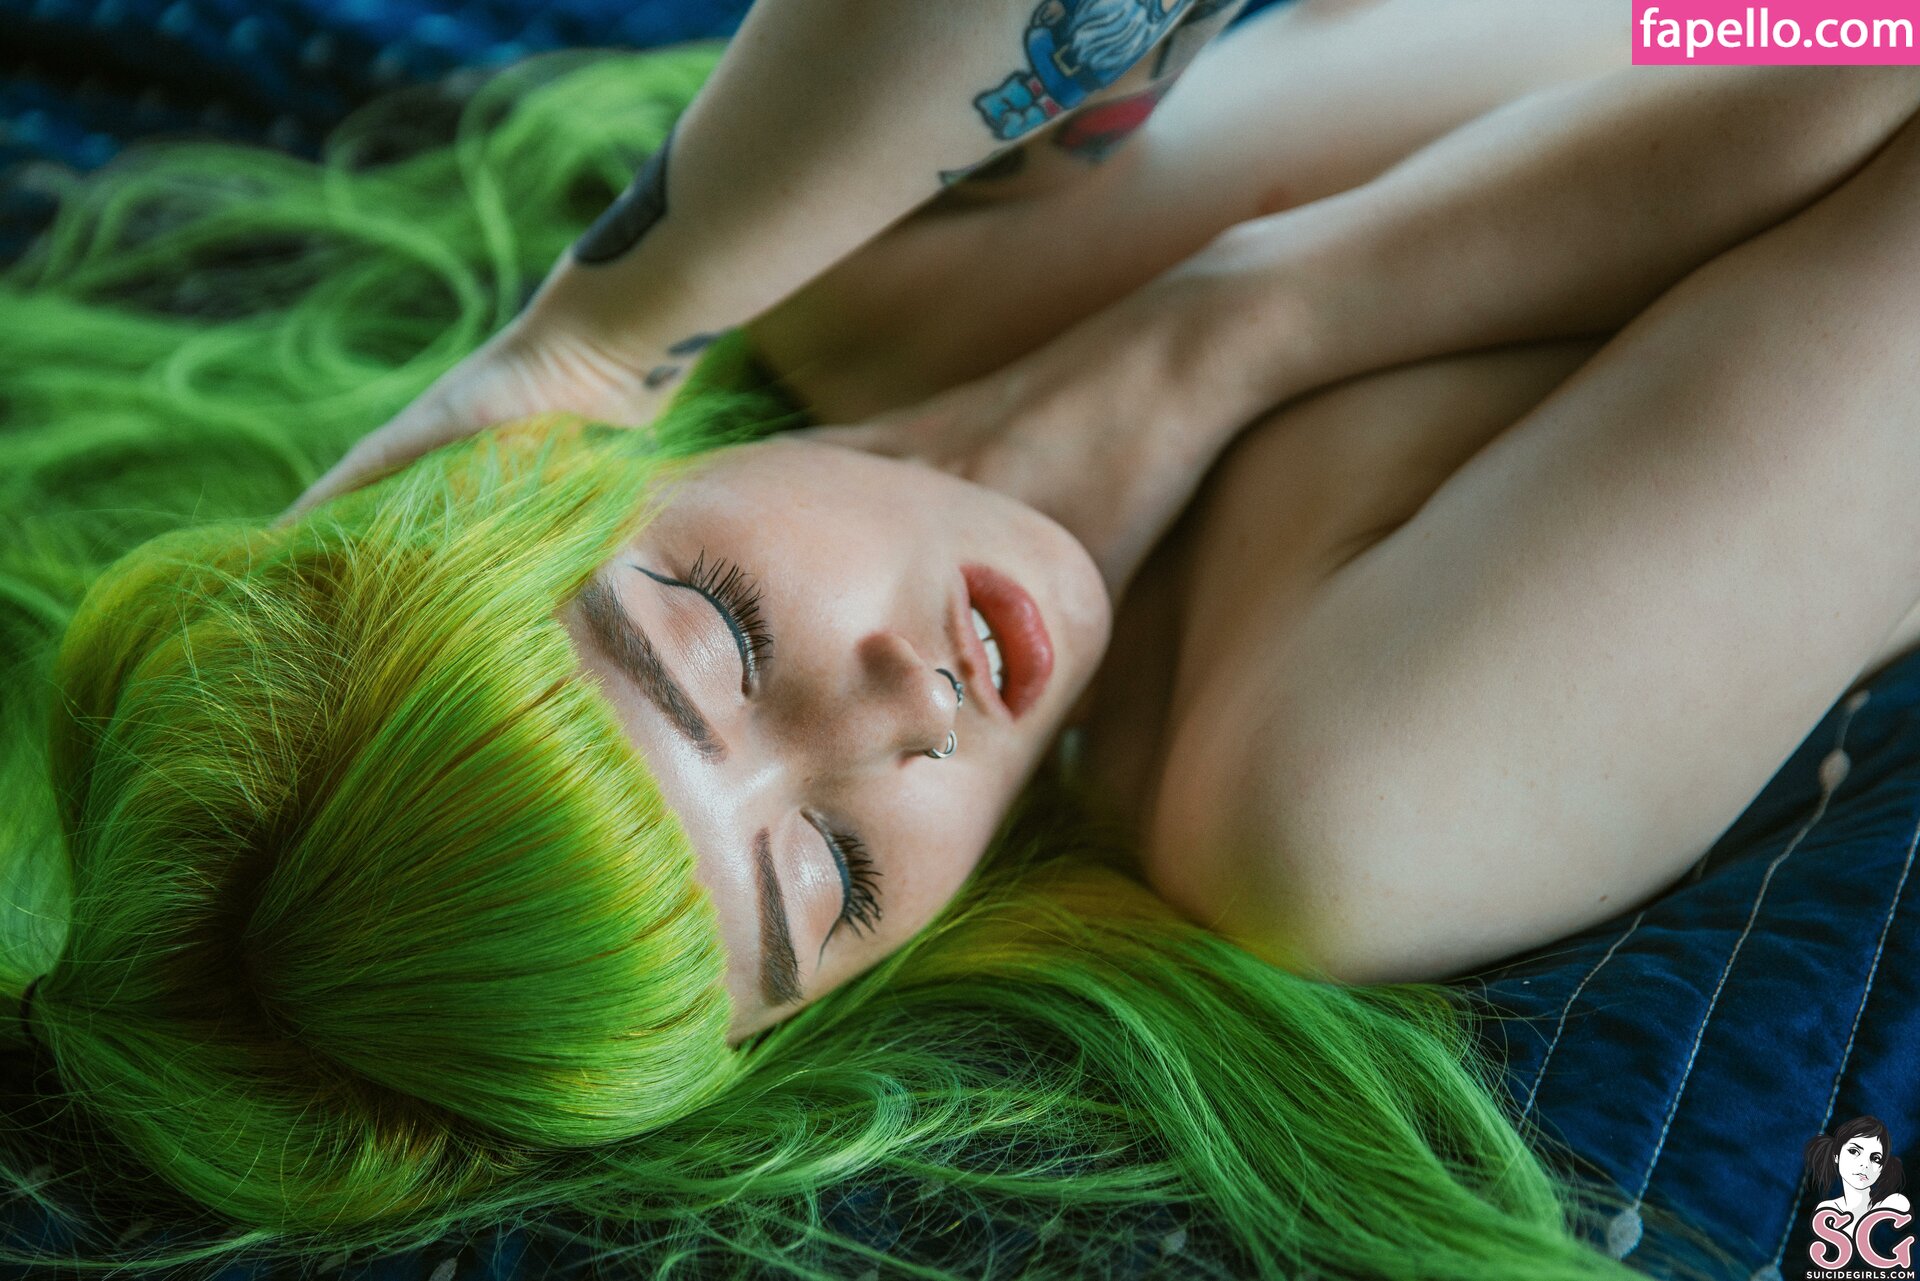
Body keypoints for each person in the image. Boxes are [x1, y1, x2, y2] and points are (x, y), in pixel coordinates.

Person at [3, 3, 1914, 1279]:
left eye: (718, 630)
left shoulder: (864, 280)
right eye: (830, 879)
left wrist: (604, 327)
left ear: (553, 477)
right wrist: (1222, 329)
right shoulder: (1329, 805)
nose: (903, 718)